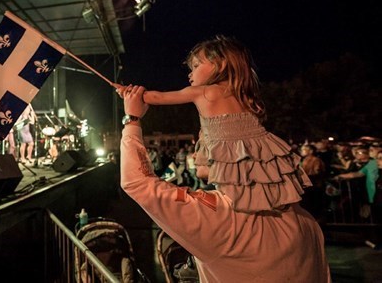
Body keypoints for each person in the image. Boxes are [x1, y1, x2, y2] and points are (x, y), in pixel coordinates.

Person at [116, 35, 329, 281]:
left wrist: (132, 115)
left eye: (203, 145)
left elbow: (137, 183)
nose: (196, 154)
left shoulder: (222, 219)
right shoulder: (307, 224)